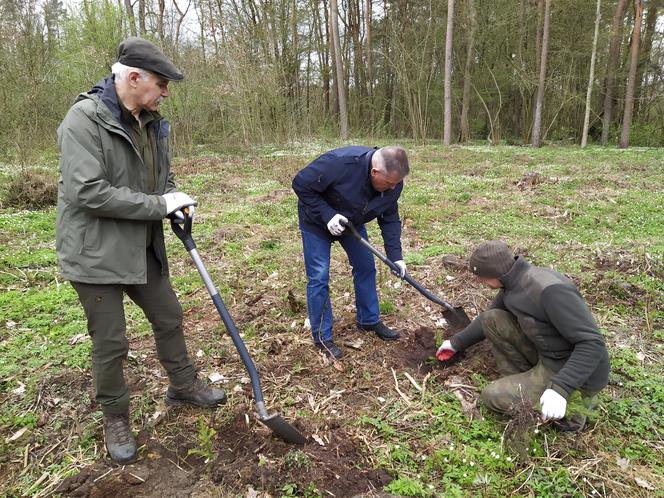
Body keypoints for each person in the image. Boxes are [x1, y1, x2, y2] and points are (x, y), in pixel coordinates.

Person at [56, 37, 226, 464]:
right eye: (161, 84)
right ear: (133, 77)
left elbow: (159, 179)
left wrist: (175, 199)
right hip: (95, 253)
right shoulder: (83, 120)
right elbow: (87, 192)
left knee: (169, 315)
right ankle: (115, 417)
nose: (165, 93)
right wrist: (157, 205)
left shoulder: (149, 121)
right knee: (111, 342)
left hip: (142, 244)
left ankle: (183, 386)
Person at [437, 241, 610, 432]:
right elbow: (490, 315)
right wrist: (455, 343)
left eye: (481, 277)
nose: (480, 282)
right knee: (493, 319)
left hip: (575, 371)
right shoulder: (513, 283)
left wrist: (560, 389)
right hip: (549, 355)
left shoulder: (550, 291)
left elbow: (592, 344)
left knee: (491, 396)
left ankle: (574, 411)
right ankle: (525, 383)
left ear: (495, 273)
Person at [292, 146, 410, 360]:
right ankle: (322, 337)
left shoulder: (393, 183)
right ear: (375, 172)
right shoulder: (339, 163)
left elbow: (390, 217)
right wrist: (328, 215)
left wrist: (396, 257)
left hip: (351, 224)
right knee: (319, 276)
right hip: (317, 223)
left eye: (396, 183)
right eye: (389, 183)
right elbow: (300, 183)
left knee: (366, 266)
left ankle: (368, 320)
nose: (393, 188)